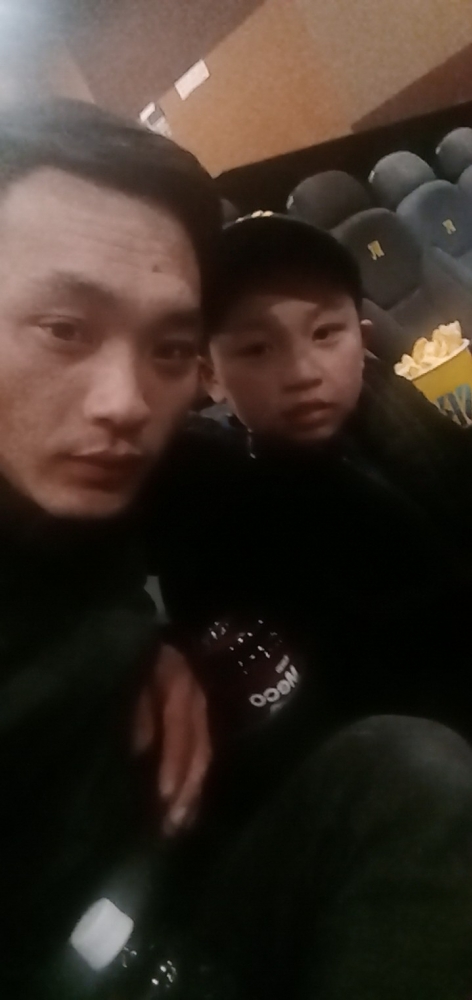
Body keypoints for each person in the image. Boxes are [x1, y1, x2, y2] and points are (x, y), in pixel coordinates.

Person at [146, 214, 472, 999]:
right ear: (210, 375)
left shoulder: (399, 418)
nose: (301, 372)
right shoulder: (216, 503)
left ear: (360, 336)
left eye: (324, 334)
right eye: (256, 349)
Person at [0, 98, 221, 994]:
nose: (126, 404)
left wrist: (148, 646)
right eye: (65, 330)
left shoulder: (98, 490)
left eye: (169, 350)